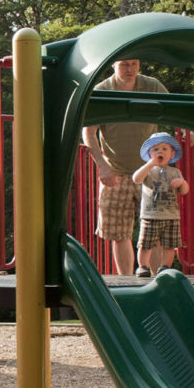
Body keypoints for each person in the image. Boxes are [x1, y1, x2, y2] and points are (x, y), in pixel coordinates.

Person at [82, 58, 166, 275]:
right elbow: (88, 132)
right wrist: (102, 166)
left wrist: (186, 132)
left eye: (134, 64)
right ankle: (127, 280)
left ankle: (159, 280)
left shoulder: (151, 86)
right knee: (119, 234)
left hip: (150, 171)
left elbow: (174, 111)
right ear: (113, 65)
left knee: (155, 231)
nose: (130, 69)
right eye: (124, 65)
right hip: (116, 172)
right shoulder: (101, 91)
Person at [132, 132, 189, 278]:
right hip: (150, 215)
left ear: (172, 154)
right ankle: (143, 266)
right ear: (149, 154)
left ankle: (165, 267)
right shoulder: (148, 170)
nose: (160, 152)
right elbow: (136, 179)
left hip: (171, 216)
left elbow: (184, 191)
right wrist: (149, 164)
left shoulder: (175, 172)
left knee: (169, 245)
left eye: (164, 149)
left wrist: (181, 183)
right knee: (145, 244)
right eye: (156, 149)